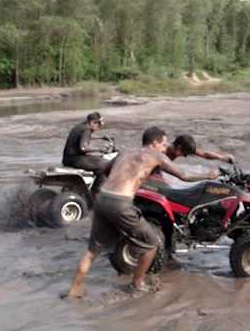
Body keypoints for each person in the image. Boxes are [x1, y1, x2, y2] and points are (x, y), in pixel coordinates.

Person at [62, 127, 219, 298]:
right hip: (120, 202)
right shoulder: (157, 155)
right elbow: (184, 175)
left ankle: (74, 290)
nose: (165, 147)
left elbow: (105, 169)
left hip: (102, 198)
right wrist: (208, 175)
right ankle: (137, 284)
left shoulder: (125, 152)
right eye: (164, 143)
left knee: (92, 252)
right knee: (152, 243)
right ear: (155, 142)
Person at [62, 112, 111, 194]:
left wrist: (101, 137)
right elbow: (83, 148)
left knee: (98, 160)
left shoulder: (81, 126)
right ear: (92, 122)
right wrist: (99, 149)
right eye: (98, 125)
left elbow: (84, 137)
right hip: (75, 159)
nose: (99, 127)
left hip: (68, 158)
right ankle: (96, 191)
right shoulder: (87, 130)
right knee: (104, 166)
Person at [166, 134, 234, 164]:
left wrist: (222, 158)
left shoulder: (182, 148)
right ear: (179, 148)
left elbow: (204, 154)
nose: (184, 156)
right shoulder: (163, 150)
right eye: (184, 154)